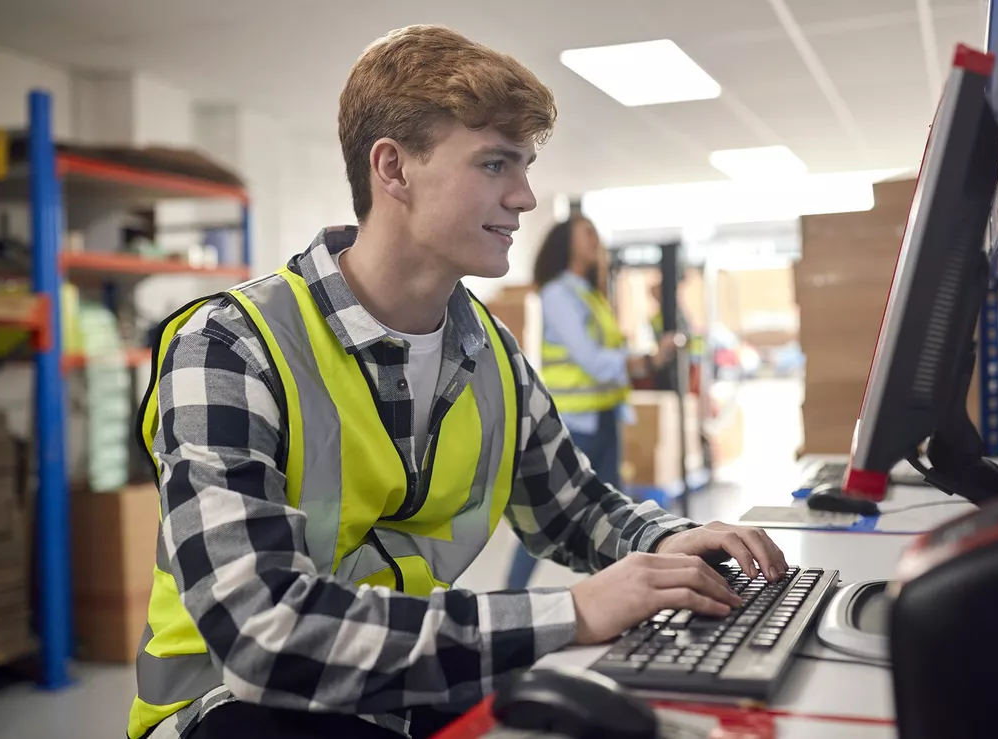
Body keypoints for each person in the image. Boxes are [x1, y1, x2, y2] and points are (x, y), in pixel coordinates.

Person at [126, 25, 787, 739]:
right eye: (496, 164)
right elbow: (264, 633)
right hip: (235, 704)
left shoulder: (487, 350)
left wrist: (671, 544)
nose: (527, 197)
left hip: (402, 678)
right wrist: (575, 610)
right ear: (394, 169)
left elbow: (571, 507)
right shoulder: (229, 345)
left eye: (525, 165)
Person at [504, 216, 678, 589]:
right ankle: (512, 592)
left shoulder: (589, 294)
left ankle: (622, 593)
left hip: (604, 417)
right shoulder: (558, 295)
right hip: (576, 423)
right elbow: (593, 360)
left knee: (614, 518)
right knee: (548, 515)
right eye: (588, 233)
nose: (596, 240)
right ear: (566, 241)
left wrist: (645, 358)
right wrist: (643, 361)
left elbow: (610, 353)